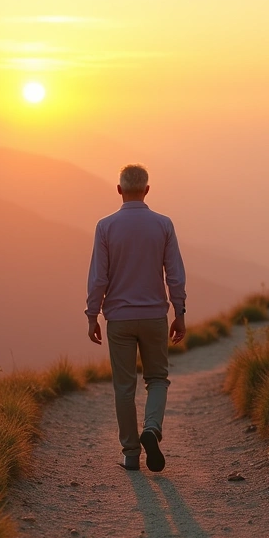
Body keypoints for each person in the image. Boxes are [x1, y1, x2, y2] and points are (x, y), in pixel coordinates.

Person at [86, 164, 187, 472]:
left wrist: (92, 314)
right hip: (155, 315)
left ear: (119, 190)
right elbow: (176, 276)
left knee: (124, 386)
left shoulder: (106, 226)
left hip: (118, 319)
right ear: (147, 189)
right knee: (157, 378)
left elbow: (98, 279)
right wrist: (179, 312)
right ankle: (152, 429)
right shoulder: (163, 225)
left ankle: (131, 454)